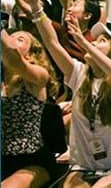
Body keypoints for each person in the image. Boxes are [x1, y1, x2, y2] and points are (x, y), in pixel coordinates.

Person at [10, 0, 111, 187]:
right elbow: (52, 43)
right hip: (84, 164)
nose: (95, 44)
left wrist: (83, 41)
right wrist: (36, 9)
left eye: (102, 41)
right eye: (94, 41)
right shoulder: (79, 73)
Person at [1, 29, 59, 187]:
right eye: (10, 37)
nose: (10, 41)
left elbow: (14, 61)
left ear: (31, 52)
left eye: (19, 39)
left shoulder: (39, 75)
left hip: (32, 160)